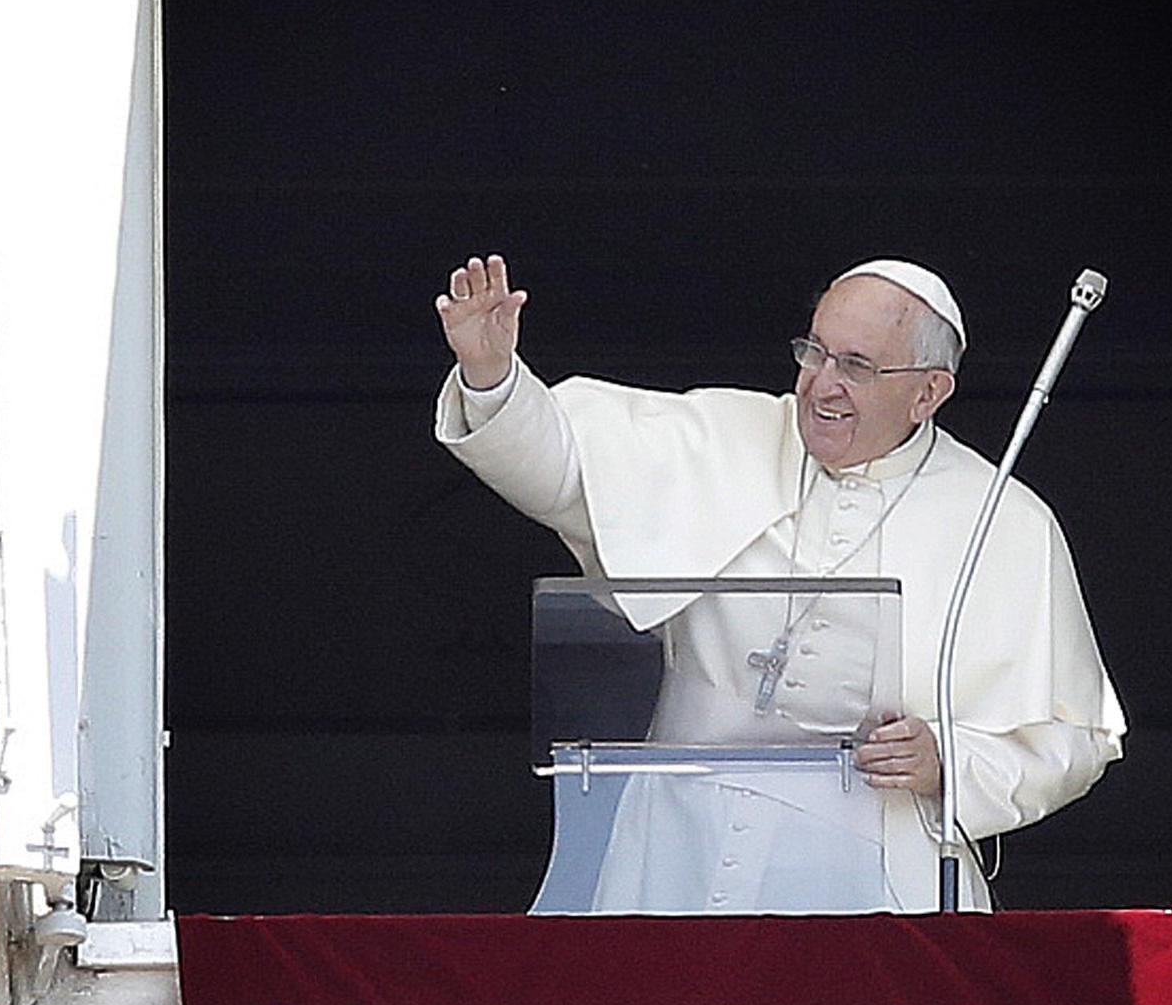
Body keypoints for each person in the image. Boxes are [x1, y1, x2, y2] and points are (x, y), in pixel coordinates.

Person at [434, 254, 1124, 912]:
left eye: (856, 366)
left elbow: (1073, 737)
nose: (823, 384)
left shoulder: (1001, 518)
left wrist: (948, 759)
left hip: (873, 863)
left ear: (928, 392)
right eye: (815, 352)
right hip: (674, 841)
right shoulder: (723, 436)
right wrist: (491, 374)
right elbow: (565, 472)